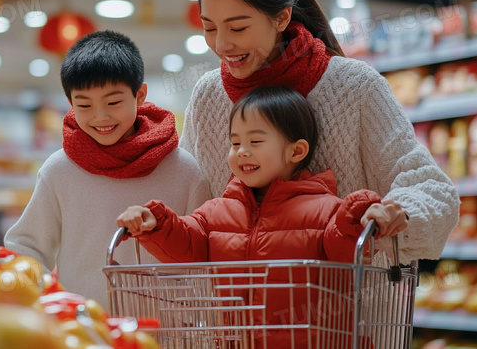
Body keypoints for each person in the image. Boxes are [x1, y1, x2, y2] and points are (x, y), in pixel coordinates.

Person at [179, 0, 459, 263]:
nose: (222, 45)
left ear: (281, 17)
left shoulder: (354, 87)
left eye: (238, 27)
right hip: (238, 308)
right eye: (209, 28)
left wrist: (397, 212)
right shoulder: (208, 95)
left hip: (347, 306)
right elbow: (186, 195)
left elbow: (431, 188)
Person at [117, 85, 403, 347]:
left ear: (297, 151)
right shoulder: (216, 211)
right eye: (235, 143)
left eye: (255, 141)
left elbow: (345, 249)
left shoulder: (327, 211)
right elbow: (186, 242)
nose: (241, 152)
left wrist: (358, 216)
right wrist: (155, 222)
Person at [4, 30, 212, 310]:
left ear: (139, 96)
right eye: (85, 105)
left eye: (113, 102)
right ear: (70, 104)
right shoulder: (59, 170)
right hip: (84, 334)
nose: (100, 116)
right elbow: (25, 246)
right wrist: (51, 304)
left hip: (167, 334)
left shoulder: (183, 169)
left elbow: (205, 254)